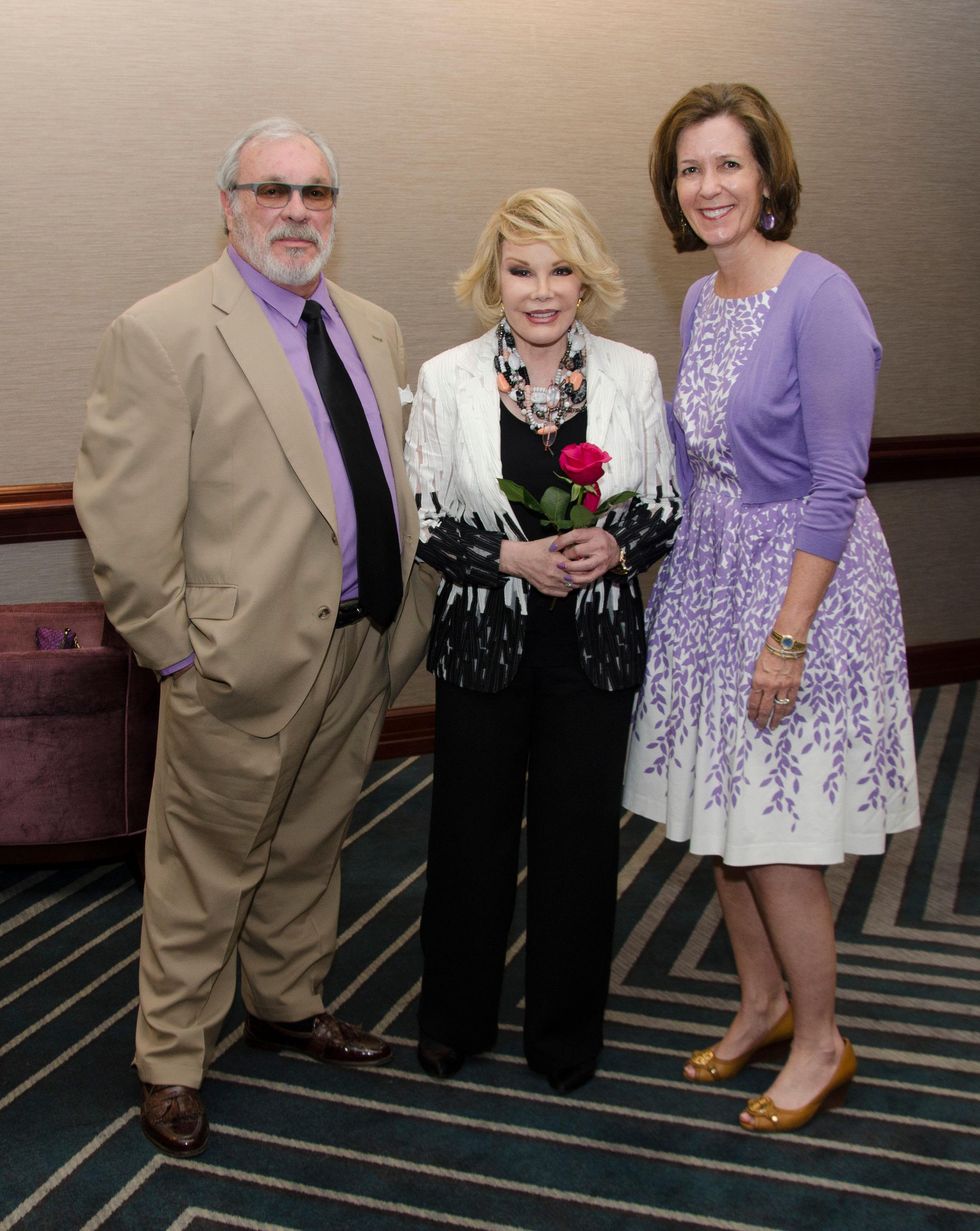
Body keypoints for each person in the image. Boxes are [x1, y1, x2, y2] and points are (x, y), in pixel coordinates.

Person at [74, 117, 432, 1157]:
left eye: (316, 192)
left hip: (360, 644)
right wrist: (178, 655)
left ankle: (285, 1001)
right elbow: (125, 523)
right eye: (272, 189)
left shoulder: (371, 325)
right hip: (234, 662)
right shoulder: (162, 331)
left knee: (311, 841)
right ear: (229, 204)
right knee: (203, 869)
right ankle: (171, 1058)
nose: (296, 211)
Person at [623, 84, 920, 1132]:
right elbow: (696, 456)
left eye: (726, 165)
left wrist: (786, 637)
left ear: (766, 175)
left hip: (802, 589)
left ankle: (821, 1038)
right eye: (688, 169)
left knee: (776, 837)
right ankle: (759, 1004)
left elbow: (836, 482)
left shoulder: (820, 294)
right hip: (711, 583)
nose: (707, 187)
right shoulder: (703, 299)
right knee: (725, 824)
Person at [405, 188, 680, 1094]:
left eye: (561, 269)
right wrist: (511, 557)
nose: (541, 290)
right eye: (521, 270)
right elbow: (424, 519)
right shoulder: (446, 378)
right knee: (468, 835)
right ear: (495, 279)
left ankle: (565, 1034)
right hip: (485, 640)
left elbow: (665, 503)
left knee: (579, 843)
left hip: (592, 648)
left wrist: (617, 545)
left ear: (586, 279)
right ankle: (453, 1021)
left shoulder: (632, 373)